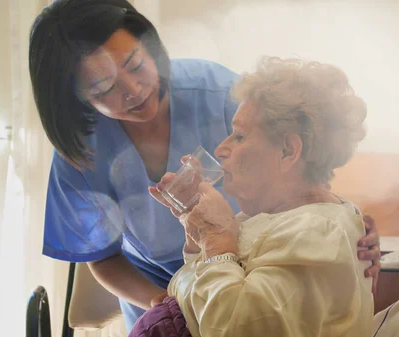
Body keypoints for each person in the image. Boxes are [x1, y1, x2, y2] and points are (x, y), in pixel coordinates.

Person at [28, 0, 381, 330]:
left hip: (244, 279)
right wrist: (166, 303)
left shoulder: (220, 94)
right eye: (104, 87)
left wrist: (348, 228)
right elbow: (102, 258)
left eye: (136, 64)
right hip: (168, 301)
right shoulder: (83, 153)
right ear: (77, 99)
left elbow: (306, 171)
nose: (134, 90)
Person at [143, 56, 373, 337]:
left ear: (288, 151)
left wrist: (216, 238)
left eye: (238, 136)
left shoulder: (316, 234)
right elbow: (207, 294)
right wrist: (196, 234)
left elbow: (241, 329)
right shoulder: (263, 218)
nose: (220, 150)